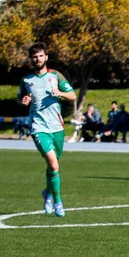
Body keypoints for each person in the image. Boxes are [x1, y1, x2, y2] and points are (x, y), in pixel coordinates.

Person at [17, 43, 78, 217]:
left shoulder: (55, 76)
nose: (38, 59)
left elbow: (73, 95)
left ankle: (48, 193)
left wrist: (60, 93)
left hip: (57, 127)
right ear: (31, 59)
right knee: (53, 163)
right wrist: (23, 101)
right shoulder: (26, 80)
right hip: (38, 127)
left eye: (40, 56)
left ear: (46, 57)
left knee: (54, 166)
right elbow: (19, 99)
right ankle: (58, 202)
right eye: (35, 57)